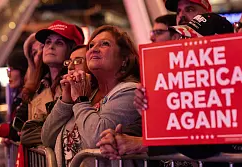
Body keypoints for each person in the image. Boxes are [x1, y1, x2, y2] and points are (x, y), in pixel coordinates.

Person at [97, 13, 234, 167]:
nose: (184, 44)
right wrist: (120, 137)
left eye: (193, 39)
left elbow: (207, 145)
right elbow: (160, 124)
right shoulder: (179, 84)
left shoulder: (233, 89)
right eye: (183, 38)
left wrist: (143, 143)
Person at [42, 25, 141, 167]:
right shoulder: (88, 91)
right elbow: (47, 138)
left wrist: (81, 100)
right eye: (91, 45)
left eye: (105, 44)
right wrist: (66, 101)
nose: (94, 49)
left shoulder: (130, 91)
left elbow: (96, 141)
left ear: (124, 59)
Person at [20, 20, 84, 147]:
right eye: (48, 42)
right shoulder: (38, 87)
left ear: (72, 49)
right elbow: (26, 134)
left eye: (59, 43)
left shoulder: (76, 85)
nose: (50, 47)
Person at [0, 51, 28, 142]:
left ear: (23, 71)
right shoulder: (18, 97)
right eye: (8, 70)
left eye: (11, 70)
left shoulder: (28, 97)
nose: (8, 75)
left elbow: (15, 129)